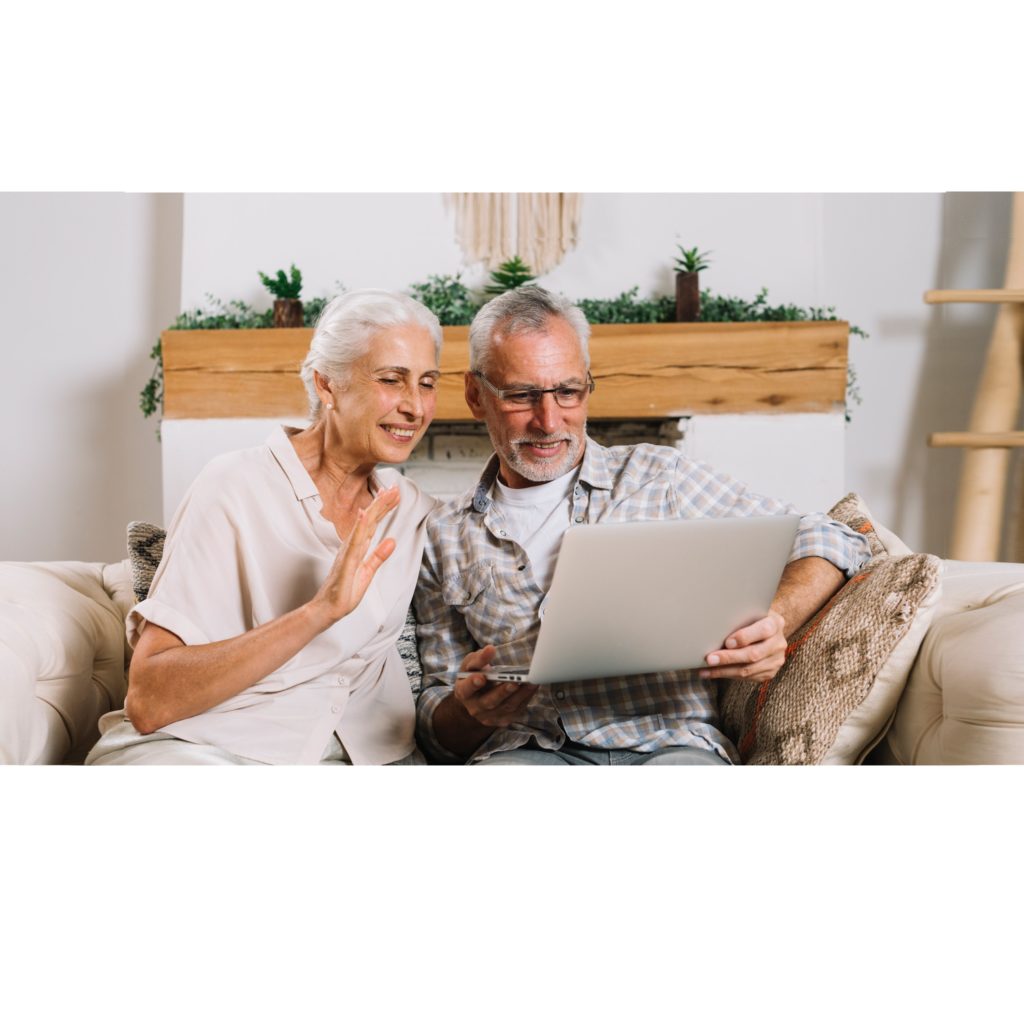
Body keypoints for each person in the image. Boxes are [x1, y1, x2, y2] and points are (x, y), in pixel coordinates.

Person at [413, 285, 873, 765]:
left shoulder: (660, 477)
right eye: (522, 395)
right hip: (527, 753)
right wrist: (470, 712)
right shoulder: (443, 534)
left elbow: (831, 536)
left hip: (671, 747)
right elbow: (435, 728)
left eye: (568, 392)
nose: (549, 421)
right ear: (474, 395)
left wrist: (776, 618)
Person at [87, 289, 442, 765]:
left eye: (427, 383)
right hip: (207, 749)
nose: (415, 407)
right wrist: (319, 611)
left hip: (363, 756)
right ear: (327, 385)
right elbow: (150, 700)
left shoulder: (411, 508)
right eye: (392, 380)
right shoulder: (233, 485)